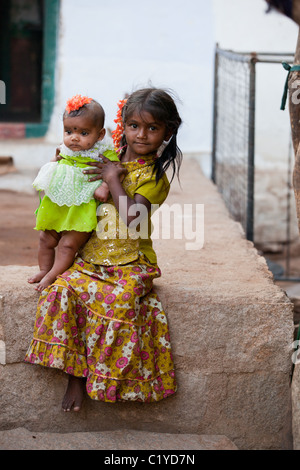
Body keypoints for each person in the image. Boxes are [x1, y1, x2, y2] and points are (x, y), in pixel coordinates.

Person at [25, 87, 182, 411]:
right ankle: (75, 377)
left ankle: (101, 380)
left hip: (131, 261)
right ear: (121, 126)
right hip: (91, 254)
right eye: (134, 126)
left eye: (153, 128)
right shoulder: (104, 154)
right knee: (64, 290)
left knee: (120, 301)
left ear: (168, 131)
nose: (142, 135)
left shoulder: (154, 176)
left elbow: (135, 220)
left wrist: (112, 180)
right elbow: (74, 171)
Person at [28, 95, 120, 292]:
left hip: (81, 210)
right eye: (68, 131)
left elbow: (116, 168)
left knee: (67, 245)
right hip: (58, 207)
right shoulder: (64, 149)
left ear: (100, 134)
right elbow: (55, 166)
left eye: (84, 133)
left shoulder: (102, 152)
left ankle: (53, 275)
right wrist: (54, 162)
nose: (74, 137)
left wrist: (104, 186)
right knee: (46, 239)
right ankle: (44, 270)